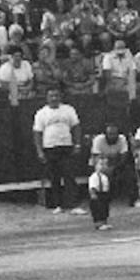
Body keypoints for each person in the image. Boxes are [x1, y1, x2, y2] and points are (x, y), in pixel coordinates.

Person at [33, 87, 86, 215]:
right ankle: (57, 205)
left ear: (60, 96)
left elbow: (76, 127)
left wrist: (77, 144)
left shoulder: (68, 110)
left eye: (56, 95)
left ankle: (73, 205)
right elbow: (37, 133)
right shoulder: (41, 113)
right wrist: (40, 151)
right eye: (51, 96)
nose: (54, 98)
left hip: (66, 146)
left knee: (69, 176)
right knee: (54, 177)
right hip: (50, 147)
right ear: (47, 98)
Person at [88, 157, 113, 231]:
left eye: (105, 164)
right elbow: (92, 186)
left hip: (104, 194)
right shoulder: (93, 177)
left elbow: (106, 186)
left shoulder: (104, 177)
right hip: (97, 194)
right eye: (101, 164)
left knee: (105, 209)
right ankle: (98, 224)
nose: (103, 166)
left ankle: (104, 222)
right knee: (97, 209)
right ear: (95, 166)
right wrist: (93, 194)